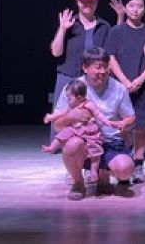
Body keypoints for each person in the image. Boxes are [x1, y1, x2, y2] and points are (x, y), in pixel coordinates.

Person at [52, 47, 136, 200]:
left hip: (111, 142)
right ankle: (78, 183)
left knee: (125, 170)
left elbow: (131, 117)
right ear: (85, 68)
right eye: (98, 67)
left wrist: (124, 123)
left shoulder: (119, 88)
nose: (102, 71)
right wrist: (71, 116)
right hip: (84, 142)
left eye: (105, 67)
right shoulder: (73, 88)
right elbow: (57, 125)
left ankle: (103, 174)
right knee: (72, 144)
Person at [105, 0, 145, 183]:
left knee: (141, 127)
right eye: (132, 5)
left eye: (140, 6)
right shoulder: (116, 31)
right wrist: (125, 82)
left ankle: (139, 163)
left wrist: (141, 79)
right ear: (125, 8)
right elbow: (111, 58)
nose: (136, 10)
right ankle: (124, 162)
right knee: (124, 126)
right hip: (120, 87)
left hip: (143, 85)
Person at [42, 79, 122, 184]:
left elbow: (98, 114)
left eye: (69, 98)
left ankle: (93, 170)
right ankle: (52, 147)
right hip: (76, 129)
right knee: (62, 134)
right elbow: (62, 113)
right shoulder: (71, 106)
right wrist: (51, 117)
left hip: (89, 131)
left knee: (95, 150)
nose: (68, 101)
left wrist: (107, 122)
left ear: (79, 98)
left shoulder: (88, 104)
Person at [50, 0, 111, 121]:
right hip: (68, 77)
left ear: (97, 2)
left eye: (92, 1)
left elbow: (108, 58)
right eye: (84, 0)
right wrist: (62, 28)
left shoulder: (104, 27)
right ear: (77, 2)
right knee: (62, 119)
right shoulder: (69, 23)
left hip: (94, 80)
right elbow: (56, 52)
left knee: (91, 121)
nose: (88, 4)